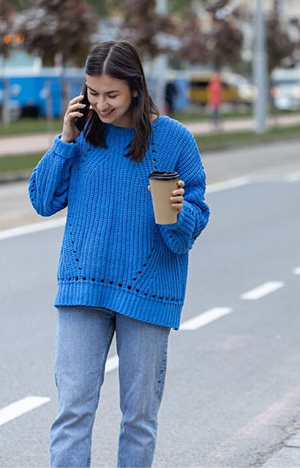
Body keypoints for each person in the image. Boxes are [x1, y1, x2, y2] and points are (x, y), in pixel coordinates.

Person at [28, 40, 210, 467]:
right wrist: (65, 140)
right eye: (92, 92)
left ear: (135, 88)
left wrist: (176, 213)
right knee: (72, 412)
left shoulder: (174, 141)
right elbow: (41, 200)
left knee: (139, 418)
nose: (100, 104)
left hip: (148, 293)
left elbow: (186, 232)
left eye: (111, 94)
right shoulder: (83, 136)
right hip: (82, 288)